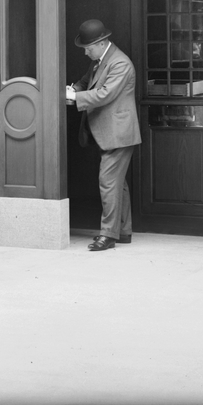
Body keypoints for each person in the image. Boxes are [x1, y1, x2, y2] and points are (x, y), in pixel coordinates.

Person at [66, 19, 141, 252]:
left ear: (101, 43)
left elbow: (105, 94)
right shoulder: (100, 60)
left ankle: (108, 235)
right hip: (110, 133)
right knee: (117, 184)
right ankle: (123, 231)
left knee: (108, 181)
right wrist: (74, 89)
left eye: (87, 48)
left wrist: (73, 97)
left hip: (118, 134)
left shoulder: (120, 63)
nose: (85, 52)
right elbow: (85, 82)